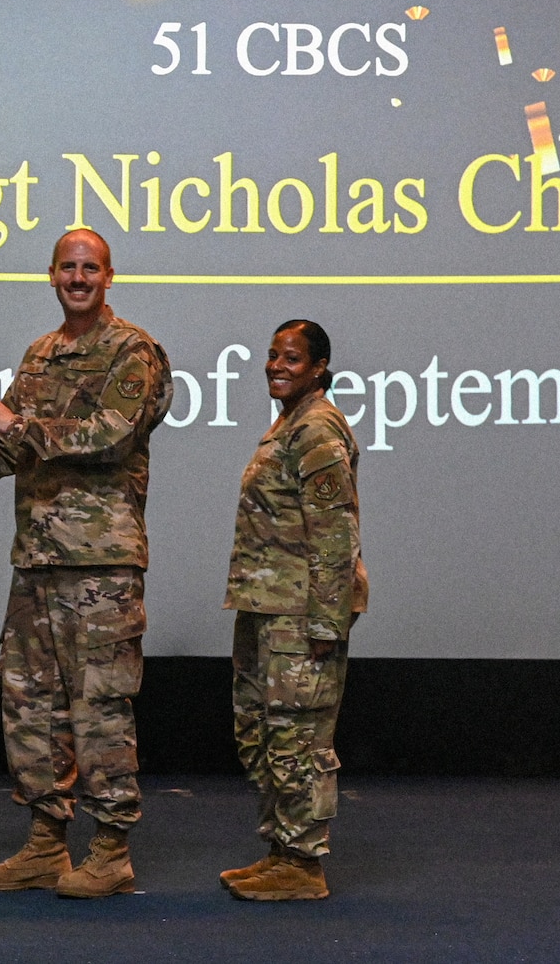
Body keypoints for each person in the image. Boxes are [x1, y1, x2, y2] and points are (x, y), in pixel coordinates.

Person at [0, 229, 172, 898]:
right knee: (28, 704)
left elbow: (110, 435)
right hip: (37, 561)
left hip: (101, 564)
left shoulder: (133, 351)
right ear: (51, 275)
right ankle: (44, 844)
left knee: (101, 706)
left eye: (91, 267)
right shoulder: (39, 354)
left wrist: (15, 423)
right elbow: (6, 451)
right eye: (68, 268)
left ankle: (110, 848)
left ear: (109, 275)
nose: (78, 277)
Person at [220, 318, 367, 902]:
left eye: (293, 359)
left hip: (300, 618)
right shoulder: (288, 425)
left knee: (297, 737)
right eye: (274, 355)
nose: (278, 366)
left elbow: (334, 536)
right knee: (263, 731)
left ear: (319, 368)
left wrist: (327, 624)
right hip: (266, 609)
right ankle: (282, 851)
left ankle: (304, 865)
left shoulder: (317, 430)